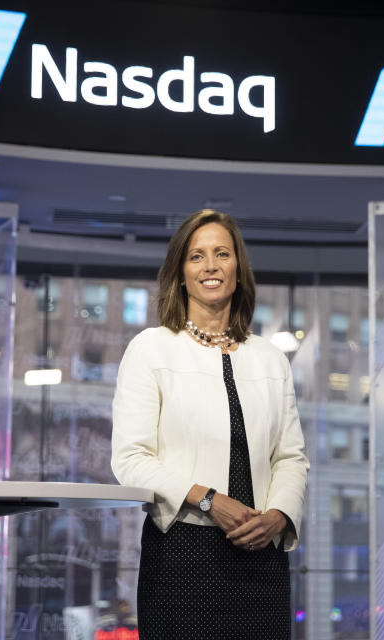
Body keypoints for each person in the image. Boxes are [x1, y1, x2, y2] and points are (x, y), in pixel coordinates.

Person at [111, 209, 310, 639]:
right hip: (181, 557)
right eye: (197, 256)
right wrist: (209, 501)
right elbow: (131, 458)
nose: (211, 266)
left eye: (222, 253)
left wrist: (277, 516)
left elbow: (291, 457)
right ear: (180, 273)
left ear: (238, 269)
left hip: (263, 558)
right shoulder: (152, 349)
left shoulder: (270, 358)